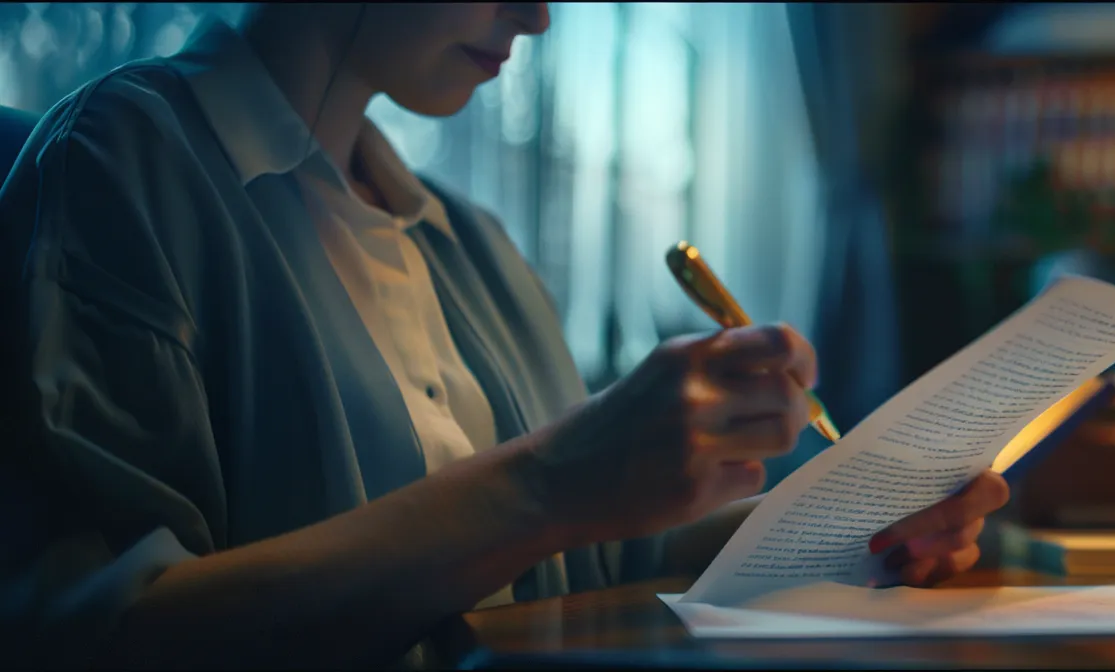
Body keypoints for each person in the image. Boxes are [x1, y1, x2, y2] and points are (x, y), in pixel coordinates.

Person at [0, 3, 1008, 668]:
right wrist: (550, 482)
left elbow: (596, 565)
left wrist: (857, 532)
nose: (539, 14)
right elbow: (97, 635)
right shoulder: (116, 170)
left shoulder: (464, 242)